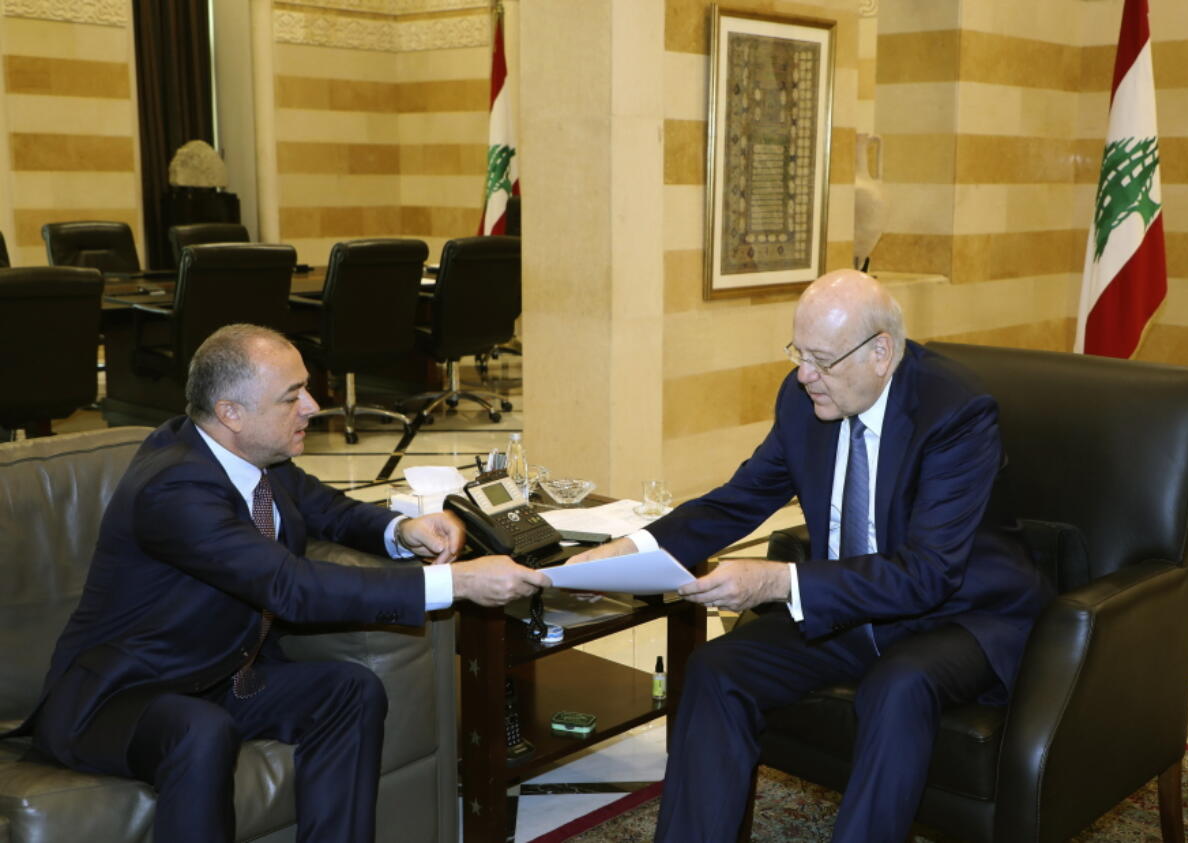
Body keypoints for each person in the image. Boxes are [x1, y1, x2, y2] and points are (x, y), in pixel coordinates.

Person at [570, 269, 1053, 842]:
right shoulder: (805, 400)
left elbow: (927, 575)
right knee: (717, 669)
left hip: (959, 614)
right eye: (799, 353)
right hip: (849, 607)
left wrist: (779, 582)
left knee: (898, 687)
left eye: (822, 360)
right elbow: (738, 500)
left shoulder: (956, 413)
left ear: (881, 353)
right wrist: (631, 549)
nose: (804, 376)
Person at [23, 323, 551, 843]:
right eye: (292, 396)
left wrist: (400, 530)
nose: (313, 406)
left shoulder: (250, 455)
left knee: (350, 689)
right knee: (200, 731)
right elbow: (290, 587)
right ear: (231, 412)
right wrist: (454, 584)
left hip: (220, 680)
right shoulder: (174, 487)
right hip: (125, 697)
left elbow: (327, 509)